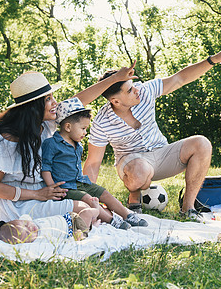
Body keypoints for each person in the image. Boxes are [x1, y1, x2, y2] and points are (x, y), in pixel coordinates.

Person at [83, 40, 221, 222]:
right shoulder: (102, 121)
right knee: (139, 170)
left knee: (202, 143)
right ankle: (134, 197)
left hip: (162, 154)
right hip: (132, 163)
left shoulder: (144, 91)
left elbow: (180, 78)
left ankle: (188, 208)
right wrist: (87, 198)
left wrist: (213, 60)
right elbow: (93, 163)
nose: (136, 91)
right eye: (129, 90)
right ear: (115, 101)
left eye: (133, 86)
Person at [0, 63, 136, 224]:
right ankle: (113, 223)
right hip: (18, 206)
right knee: (85, 209)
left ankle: (121, 219)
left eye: (52, 97)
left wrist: (115, 78)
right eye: (48, 99)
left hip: (47, 193)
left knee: (92, 207)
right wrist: (37, 194)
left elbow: (78, 101)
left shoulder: (44, 125)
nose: (55, 103)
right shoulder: (4, 140)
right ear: (33, 107)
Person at [41, 97, 148, 229]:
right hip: (65, 188)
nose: (85, 133)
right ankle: (112, 220)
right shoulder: (51, 143)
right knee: (88, 199)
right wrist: (52, 188)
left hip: (81, 182)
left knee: (104, 193)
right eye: (83, 128)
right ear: (68, 127)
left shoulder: (77, 145)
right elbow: (45, 168)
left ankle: (127, 215)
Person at [0, 205, 99, 244]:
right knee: (86, 213)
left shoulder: (30, 222)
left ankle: (92, 224)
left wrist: (6, 225)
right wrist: (73, 239)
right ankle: (97, 210)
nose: (30, 226)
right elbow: (61, 243)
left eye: (25, 224)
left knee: (84, 215)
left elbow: (24, 217)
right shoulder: (42, 239)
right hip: (74, 229)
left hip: (68, 217)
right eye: (28, 232)